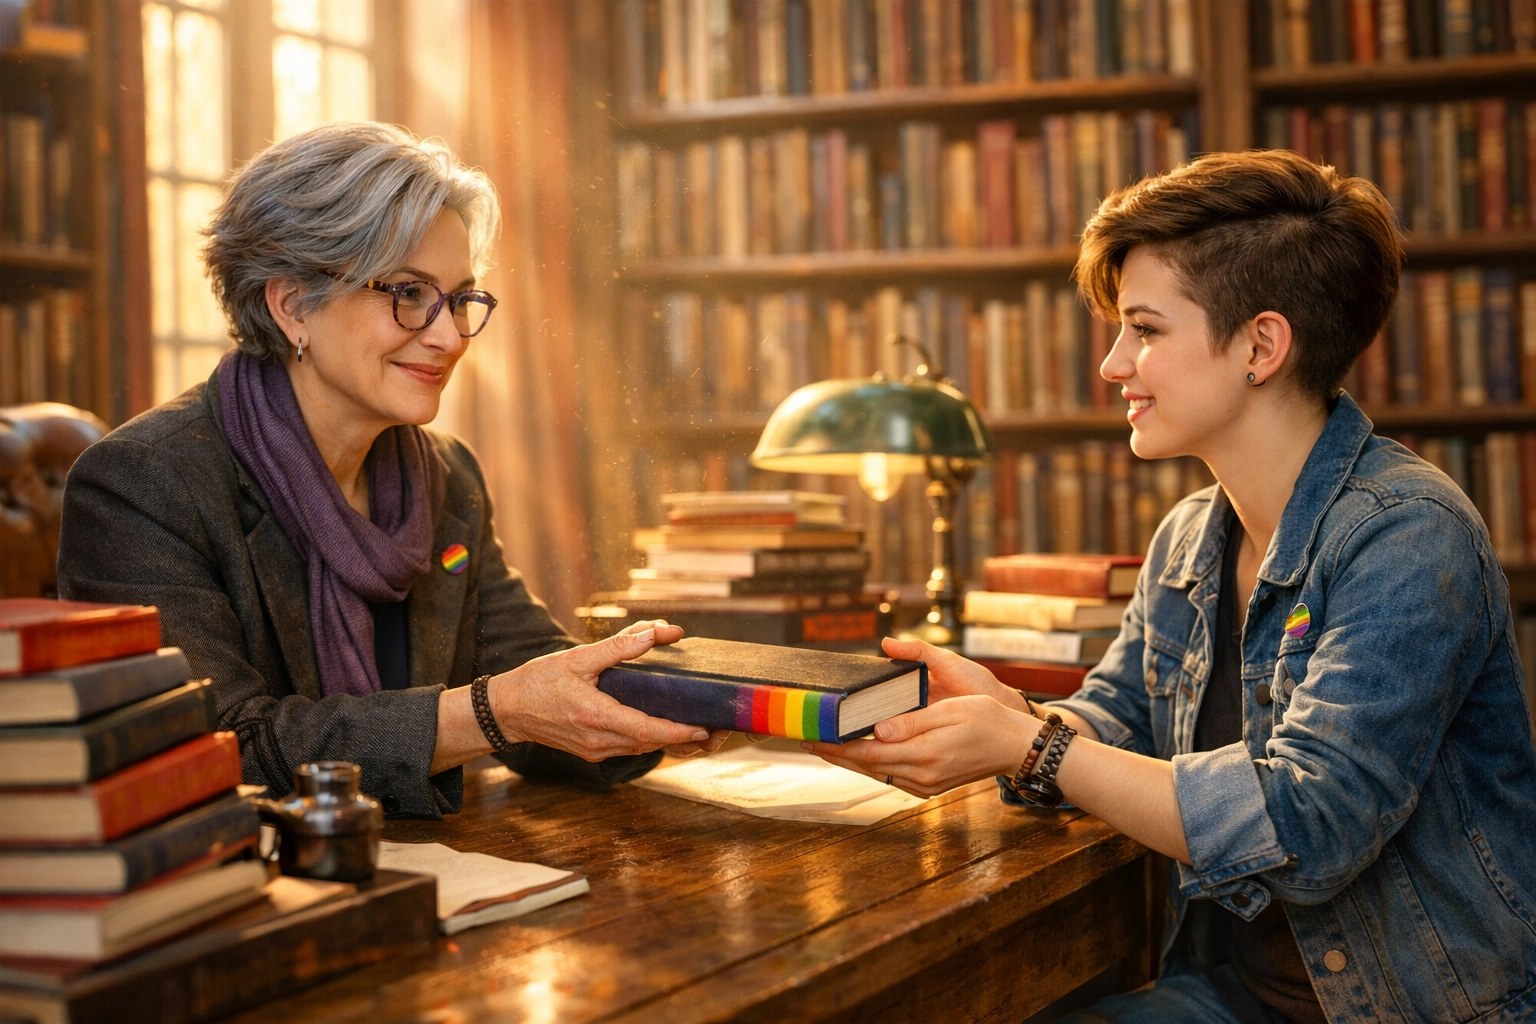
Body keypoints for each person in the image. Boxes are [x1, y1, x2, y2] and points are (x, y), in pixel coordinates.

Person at [803, 150, 1536, 1023]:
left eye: (1144, 330)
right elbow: (1119, 721)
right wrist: (1002, 717)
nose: (1114, 365)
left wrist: (1031, 749)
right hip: (1230, 992)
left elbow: (1311, 827)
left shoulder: (1409, 536)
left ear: (1261, 346)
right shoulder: (1193, 532)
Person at [57, 122, 724, 819]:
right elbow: (218, 752)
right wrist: (493, 714)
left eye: (462, 299)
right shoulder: (140, 485)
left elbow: (543, 700)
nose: (447, 336)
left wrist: (730, 701)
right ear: (292, 306)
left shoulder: (446, 477)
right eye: (408, 293)